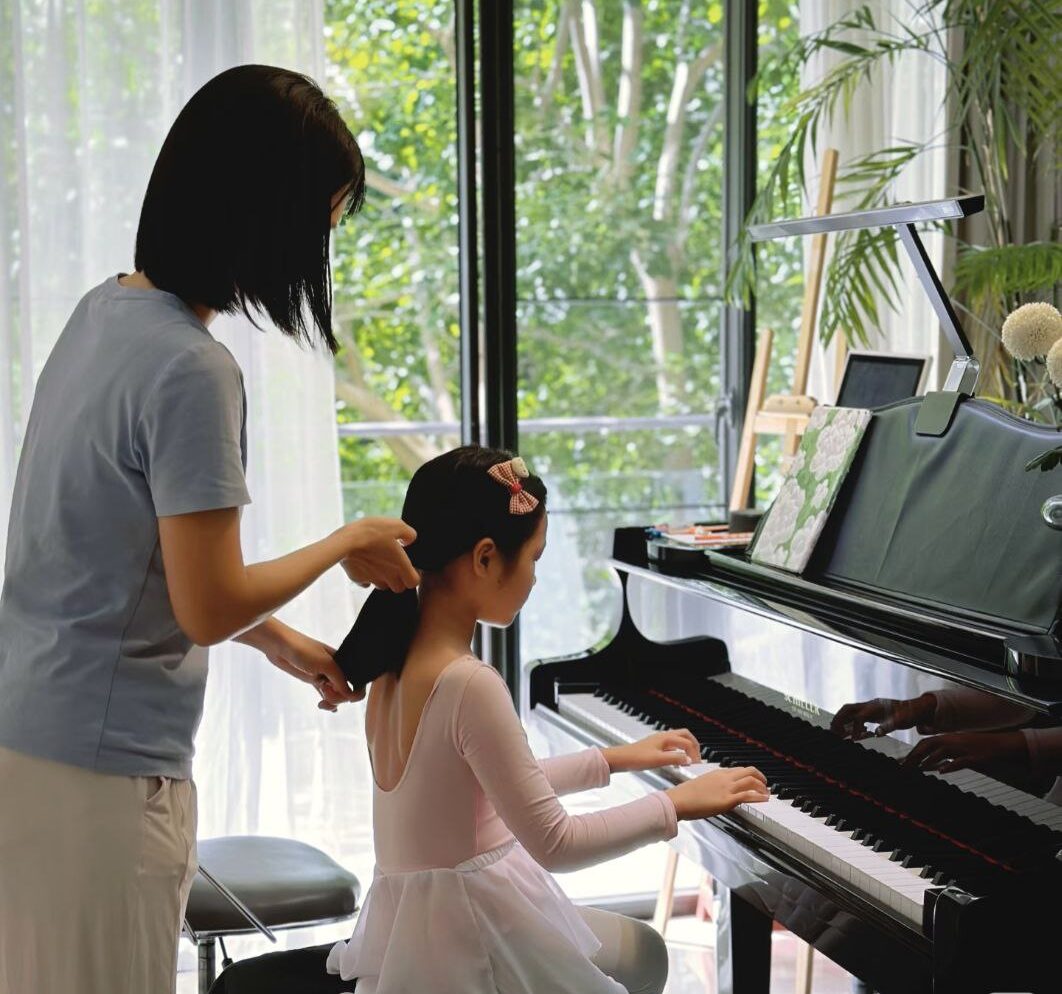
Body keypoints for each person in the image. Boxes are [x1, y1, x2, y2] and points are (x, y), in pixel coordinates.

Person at [0, 65, 419, 994]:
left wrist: (281, 643)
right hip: (103, 789)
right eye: (321, 222)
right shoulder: (194, 368)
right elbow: (205, 602)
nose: (319, 253)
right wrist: (346, 542)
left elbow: (132, 560)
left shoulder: (106, 312)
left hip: (29, 750)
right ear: (260, 212)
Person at [210, 445, 770, 994]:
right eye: (534, 559)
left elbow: (487, 788)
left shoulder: (390, 668)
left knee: (631, 948)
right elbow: (556, 842)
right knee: (643, 952)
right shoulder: (467, 683)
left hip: (419, 937)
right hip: (472, 943)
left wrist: (613, 760)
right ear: (483, 558)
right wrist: (678, 804)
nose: (533, 579)